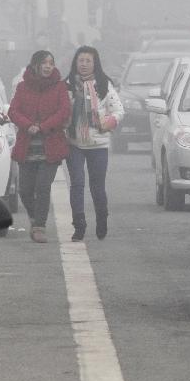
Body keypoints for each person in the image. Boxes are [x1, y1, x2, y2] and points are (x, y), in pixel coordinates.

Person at [8, 50, 71, 243]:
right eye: (44, 63)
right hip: (27, 146)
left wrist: (43, 126)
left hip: (50, 145)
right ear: (35, 65)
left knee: (43, 187)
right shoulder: (22, 87)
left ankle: (39, 227)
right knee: (25, 190)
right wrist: (28, 125)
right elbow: (13, 111)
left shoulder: (60, 87)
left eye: (51, 63)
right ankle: (35, 218)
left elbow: (64, 111)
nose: (48, 66)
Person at [65, 45, 124, 241]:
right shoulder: (67, 86)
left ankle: (102, 219)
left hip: (98, 144)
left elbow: (118, 111)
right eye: (80, 60)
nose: (83, 64)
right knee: (77, 184)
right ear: (76, 62)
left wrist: (106, 123)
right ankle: (79, 225)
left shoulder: (104, 86)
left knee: (97, 186)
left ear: (94, 63)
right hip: (74, 143)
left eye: (88, 61)